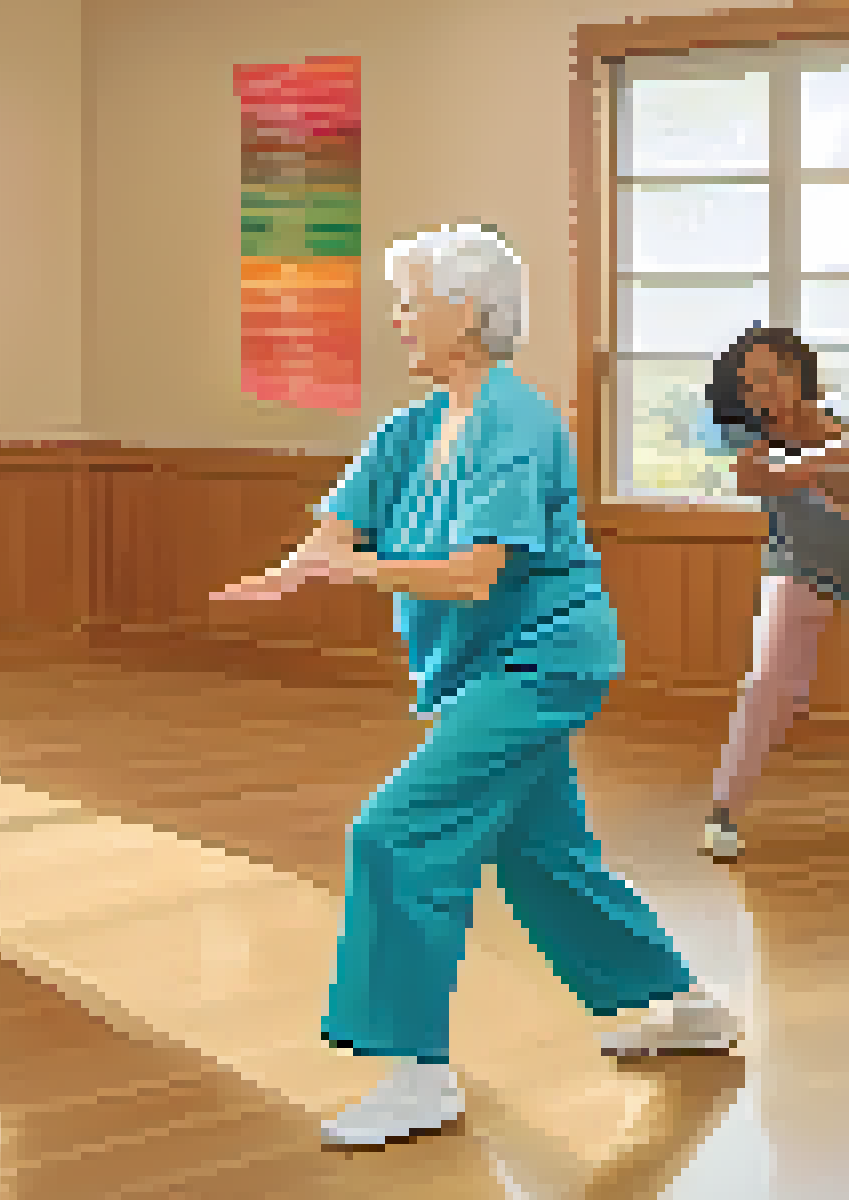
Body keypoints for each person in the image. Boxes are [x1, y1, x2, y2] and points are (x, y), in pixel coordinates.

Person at [213, 223, 741, 1148]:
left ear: (468, 310)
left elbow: (472, 574)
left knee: (395, 832)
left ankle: (418, 1074)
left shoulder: (518, 421)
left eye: (412, 300)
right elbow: (341, 527)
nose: (399, 318)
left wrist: (355, 575)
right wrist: (299, 569)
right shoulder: (411, 428)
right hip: (480, 670)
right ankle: (684, 1004)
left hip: (544, 661)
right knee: (544, 854)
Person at [701, 325, 849, 862]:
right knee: (767, 682)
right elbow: (755, 480)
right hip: (797, 565)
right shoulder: (746, 435)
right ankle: (724, 813)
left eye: (770, 376)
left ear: (799, 376)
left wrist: (821, 459)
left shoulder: (834, 425)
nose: (759, 391)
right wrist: (826, 459)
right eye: (749, 382)